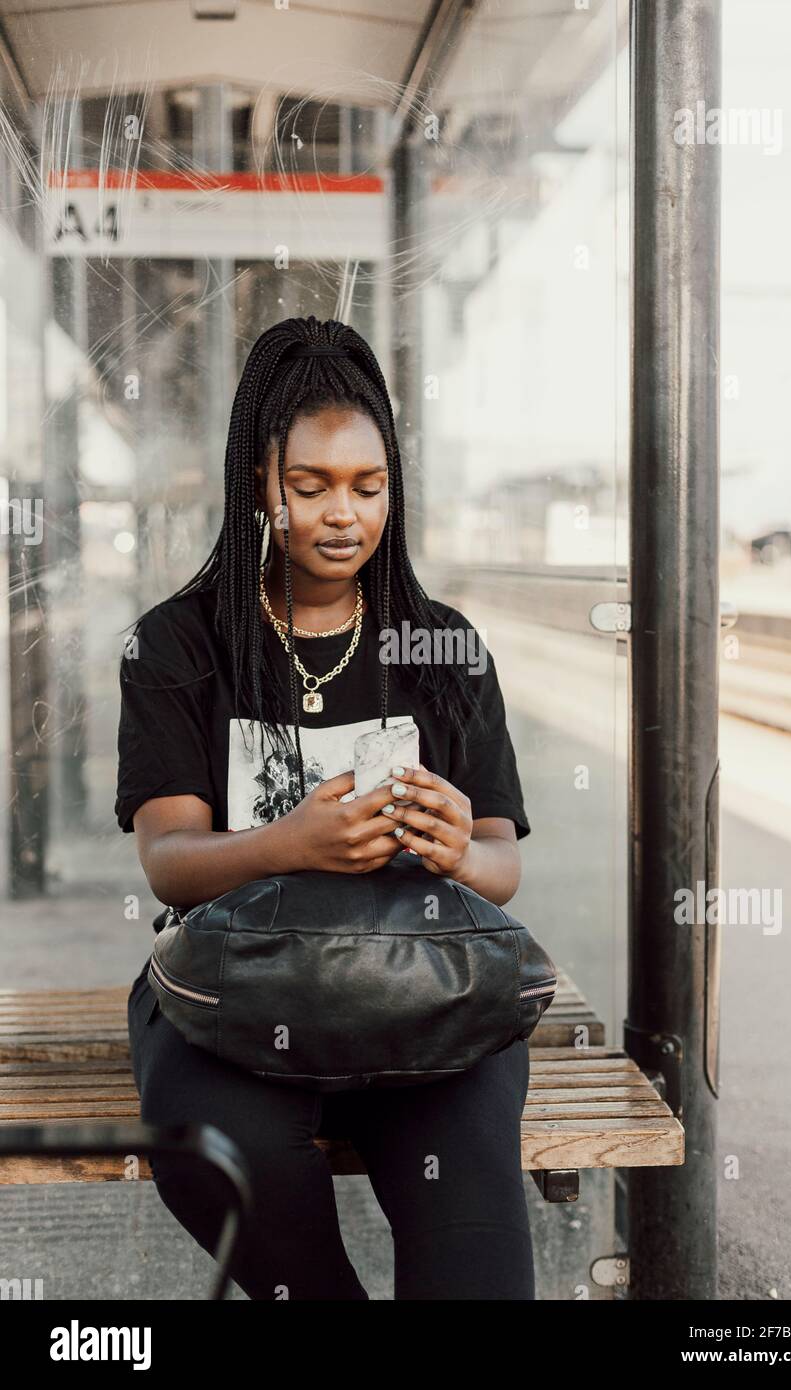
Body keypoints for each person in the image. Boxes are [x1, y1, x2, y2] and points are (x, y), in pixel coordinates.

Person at [115, 314, 534, 1301]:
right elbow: (168, 858)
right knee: (219, 1154)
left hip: (418, 979)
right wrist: (285, 842)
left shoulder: (443, 646)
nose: (341, 514)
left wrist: (454, 850)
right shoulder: (178, 644)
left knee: (472, 1247)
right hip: (230, 987)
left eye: (367, 486)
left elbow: (500, 862)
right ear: (258, 483)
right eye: (308, 488)